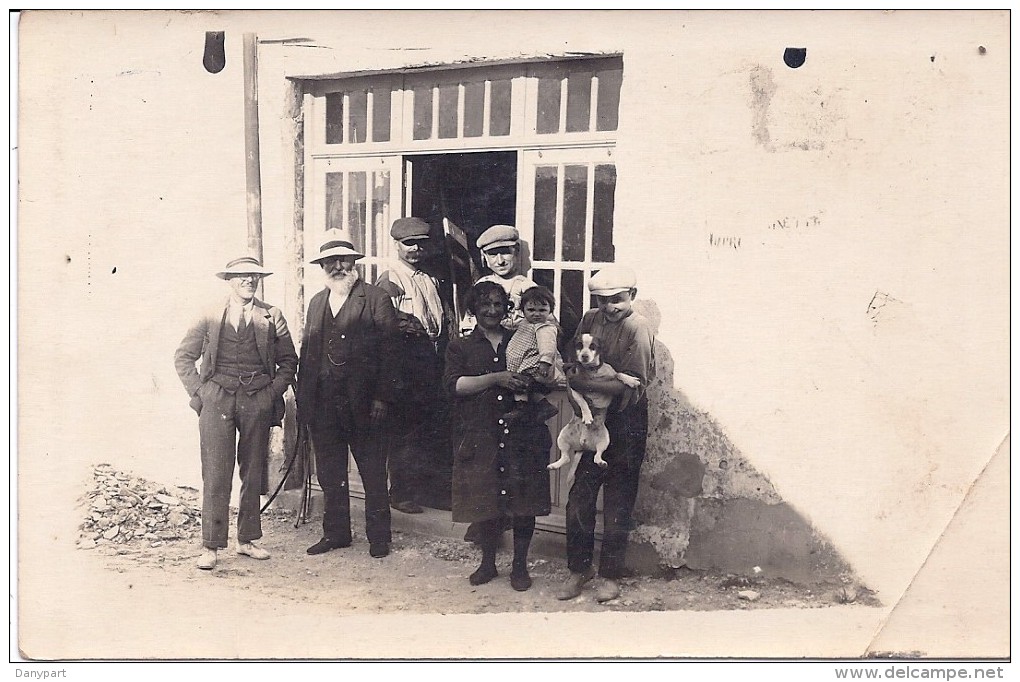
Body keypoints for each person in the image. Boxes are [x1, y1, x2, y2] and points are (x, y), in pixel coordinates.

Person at [174, 256, 298, 571]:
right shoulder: (209, 314)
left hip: (257, 399)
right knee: (216, 472)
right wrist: (200, 393)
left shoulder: (271, 315)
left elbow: (289, 361)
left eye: (253, 276)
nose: (248, 280)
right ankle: (211, 546)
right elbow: (183, 358)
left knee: (253, 470)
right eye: (241, 275)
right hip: (217, 401)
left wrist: (272, 394)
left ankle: (248, 540)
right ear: (229, 280)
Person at [296, 231, 400, 559]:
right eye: (331, 261)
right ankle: (337, 533)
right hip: (325, 405)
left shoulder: (374, 298)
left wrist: (382, 397)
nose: (338, 266)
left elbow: (391, 352)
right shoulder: (316, 303)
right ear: (322, 265)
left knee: (371, 472)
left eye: (344, 259)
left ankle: (379, 537)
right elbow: (309, 353)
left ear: (354, 262)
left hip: (366, 404)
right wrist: (304, 401)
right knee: (331, 474)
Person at [444, 281, 552, 591]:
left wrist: (532, 380)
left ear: (507, 307)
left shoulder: (521, 336)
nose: (492, 310)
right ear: (473, 309)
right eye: (484, 305)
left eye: (497, 304)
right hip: (482, 431)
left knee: (523, 501)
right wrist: (497, 378)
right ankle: (488, 562)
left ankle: (520, 565)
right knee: (486, 500)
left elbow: (544, 376)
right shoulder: (460, 346)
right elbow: (455, 386)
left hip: (522, 431)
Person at [557, 265, 656, 603]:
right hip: (591, 418)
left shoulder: (637, 327)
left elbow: (634, 381)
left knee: (618, 499)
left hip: (626, 419)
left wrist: (586, 382)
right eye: (604, 300)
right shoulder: (589, 319)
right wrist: (583, 381)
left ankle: (611, 574)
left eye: (618, 299)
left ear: (632, 296)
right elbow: (572, 365)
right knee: (580, 497)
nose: (611, 306)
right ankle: (579, 568)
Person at [375, 217, 452, 515]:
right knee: (405, 429)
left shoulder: (429, 279)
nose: (416, 250)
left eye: (421, 244)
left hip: (431, 360)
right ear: (396, 245)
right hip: (406, 362)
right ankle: (401, 491)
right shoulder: (390, 280)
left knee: (431, 428)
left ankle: (429, 491)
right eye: (409, 244)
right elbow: (386, 325)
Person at [503, 285, 566, 425]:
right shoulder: (525, 323)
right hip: (524, 362)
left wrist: (544, 363)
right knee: (530, 388)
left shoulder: (545, 327)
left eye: (542, 310)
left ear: (550, 310)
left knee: (522, 385)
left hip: (533, 365)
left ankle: (521, 409)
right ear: (523, 310)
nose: (536, 314)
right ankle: (543, 405)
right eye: (531, 310)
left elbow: (548, 347)